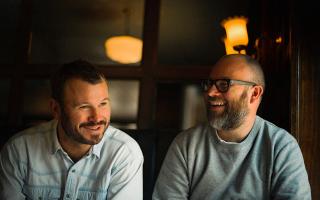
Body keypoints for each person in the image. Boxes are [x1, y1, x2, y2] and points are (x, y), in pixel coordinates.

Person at [152, 54, 311, 199]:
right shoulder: (186, 145)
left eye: (224, 84)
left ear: (254, 94)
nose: (210, 92)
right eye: (210, 84)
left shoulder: (282, 147)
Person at [0, 60, 143, 200]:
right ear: (56, 109)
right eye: (84, 106)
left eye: (103, 104)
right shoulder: (18, 151)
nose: (97, 117)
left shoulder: (124, 153)